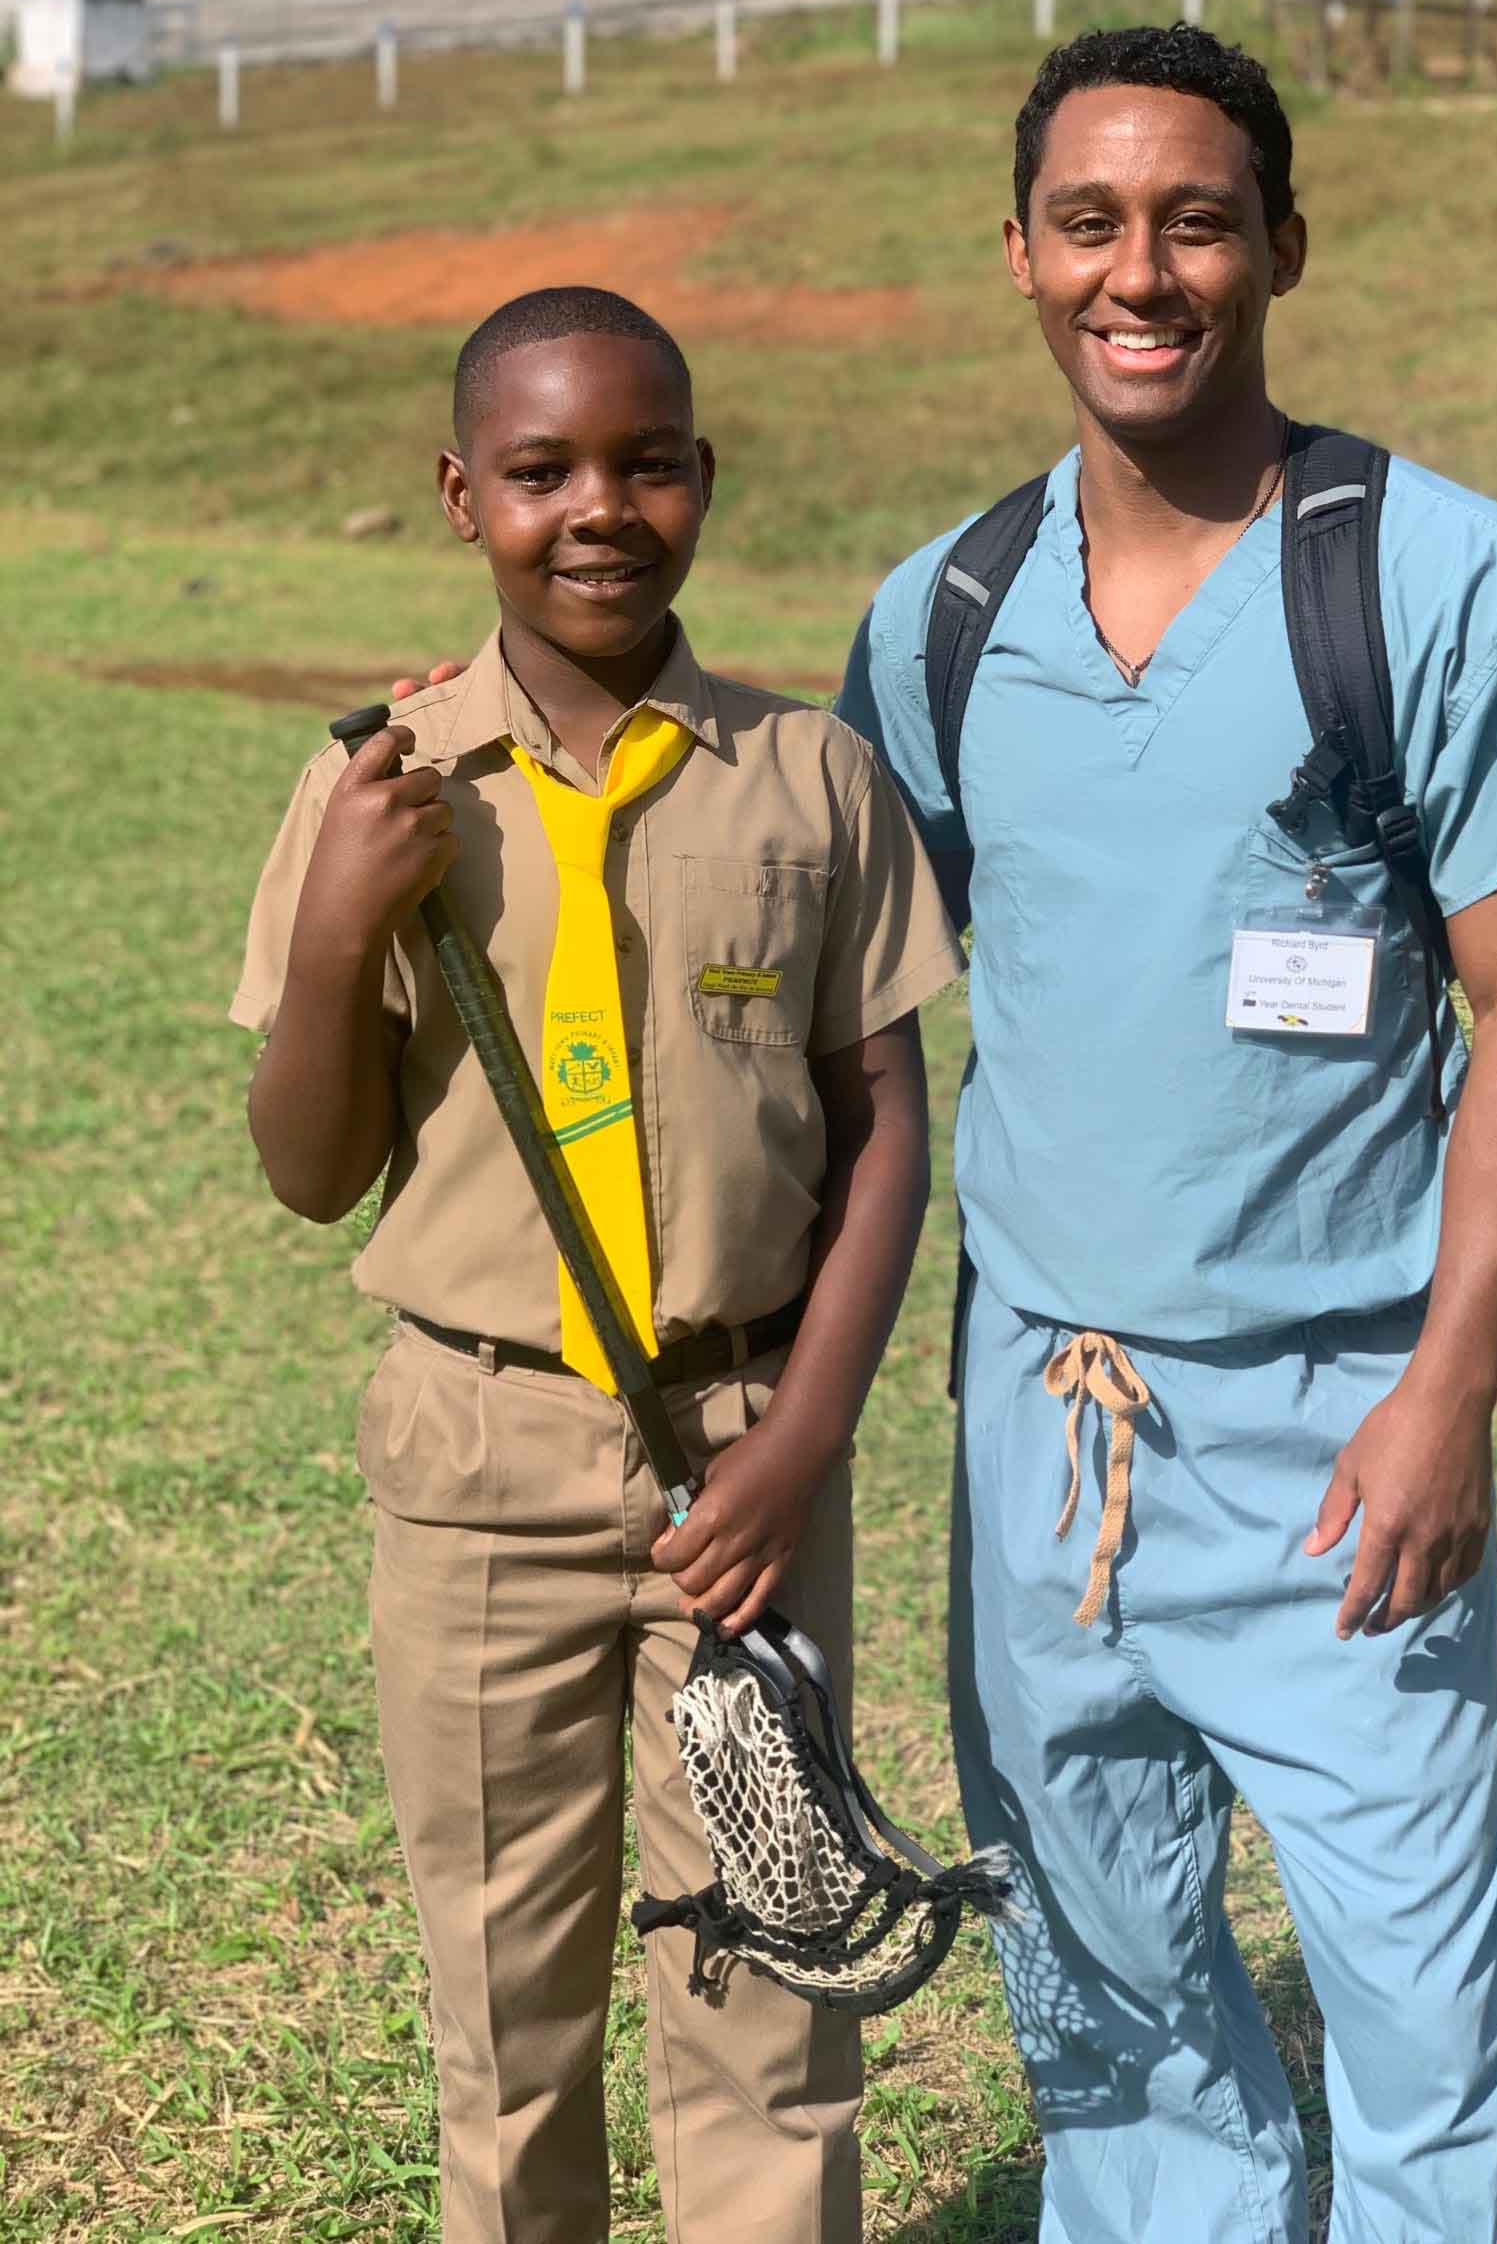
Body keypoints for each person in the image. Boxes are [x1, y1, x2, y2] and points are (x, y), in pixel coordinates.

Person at [832, 26, 1497, 2242]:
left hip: (1337, 1422)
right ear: (1015, 254)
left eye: (1194, 219)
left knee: (1410, 1981)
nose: (1140, 271)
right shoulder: (937, 620)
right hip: (1041, 1417)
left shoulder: (1433, 577)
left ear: (1279, 241)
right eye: (1087, 221)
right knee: (1095, 1965)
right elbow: (876, 1026)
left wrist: (1445, 1394)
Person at [231, 284, 963, 2244]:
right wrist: (330, 936)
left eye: (646, 462)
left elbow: (886, 1121)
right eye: (542, 470)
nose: (599, 508)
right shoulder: (382, 789)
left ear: (702, 483)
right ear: (463, 494)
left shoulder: (807, 781)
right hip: (481, 1481)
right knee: (507, 2012)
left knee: (770, 1993)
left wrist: (800, 1444)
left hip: (743, 1470)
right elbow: (309, 1173)